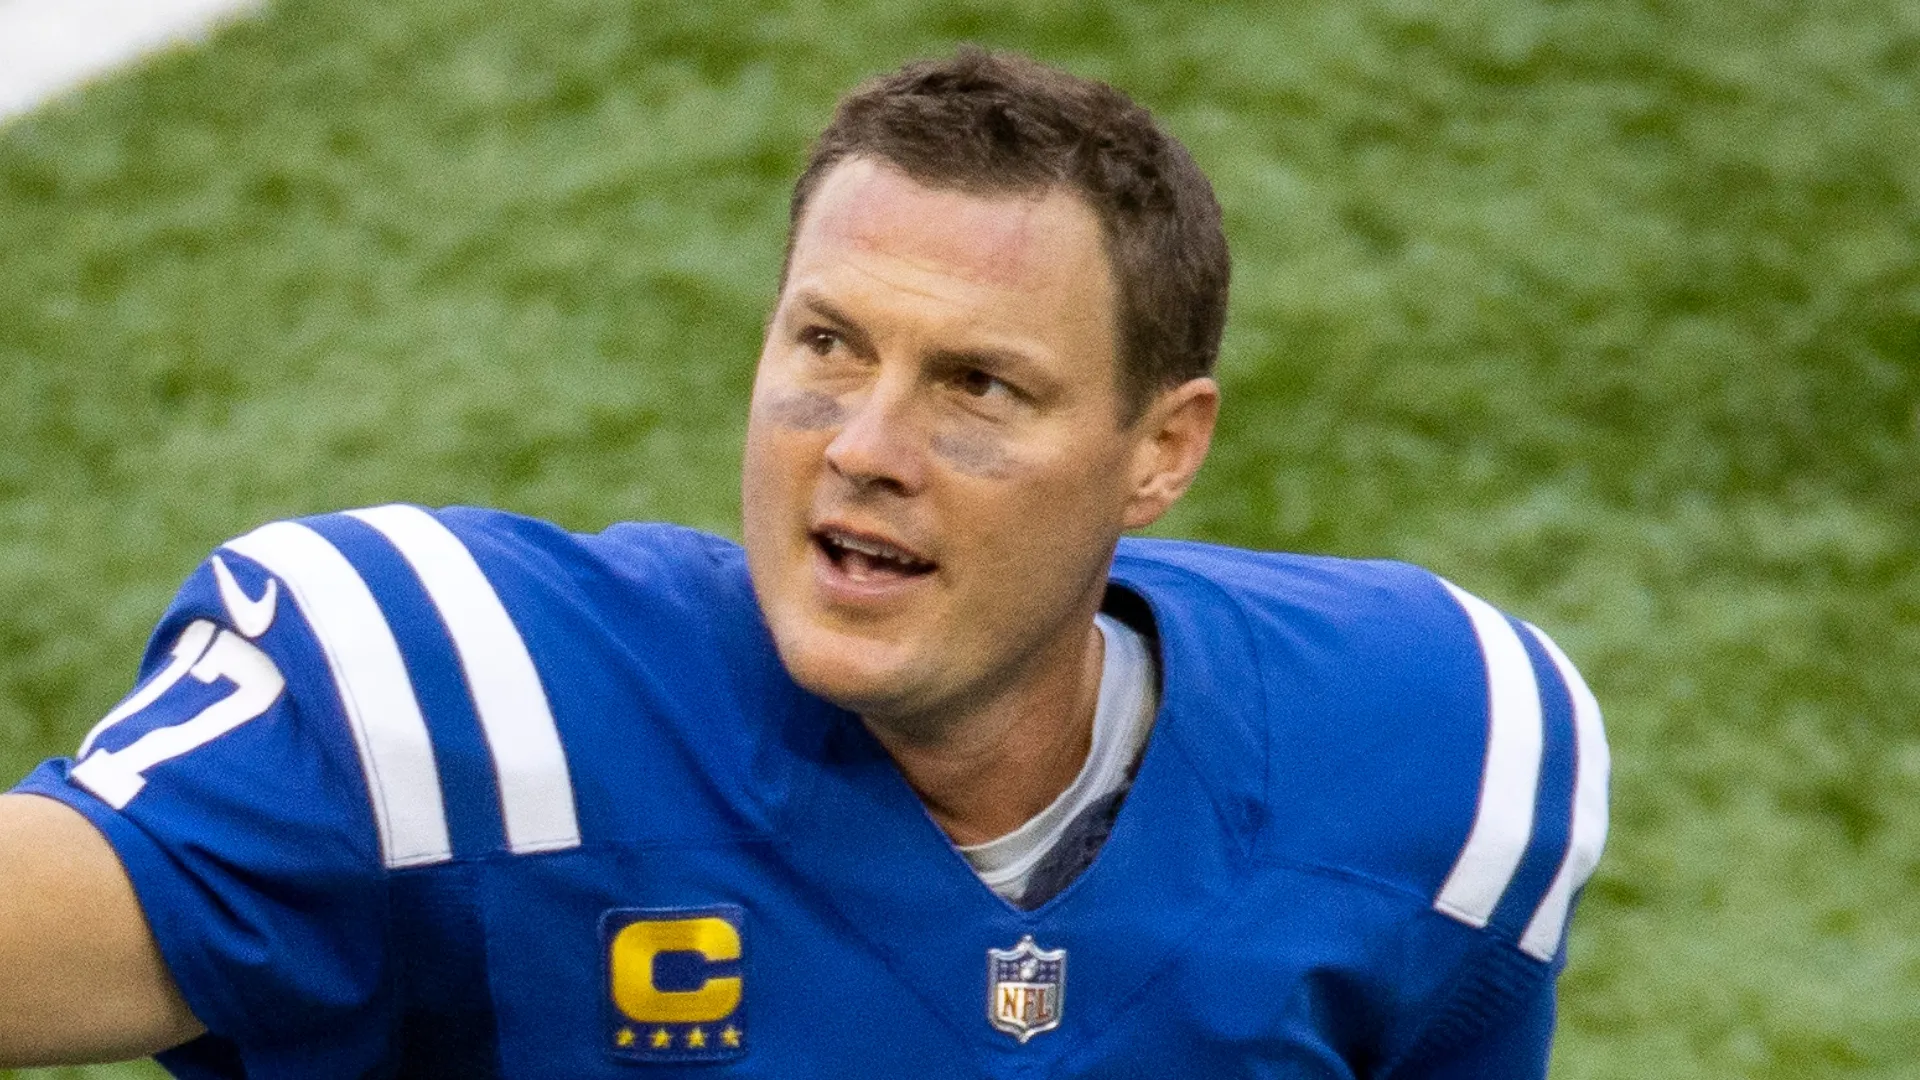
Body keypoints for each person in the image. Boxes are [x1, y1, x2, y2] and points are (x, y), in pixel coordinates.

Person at [0, 48, 1608, 1077]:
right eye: (830, 345)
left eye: (979, 386)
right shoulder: (461, 715)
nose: (866, 445)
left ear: (1161, 450)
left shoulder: (1437, 750)